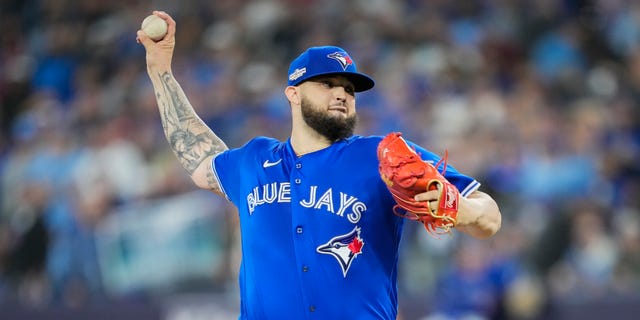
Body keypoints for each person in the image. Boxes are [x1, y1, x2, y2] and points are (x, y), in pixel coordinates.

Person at [137, 11, 502, 320]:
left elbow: (490, 217)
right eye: (327, 83)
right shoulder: (255, 161)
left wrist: (459, 209)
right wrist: (159, 71)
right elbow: (198, 156)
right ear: (292, 94)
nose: (341, 93)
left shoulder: (382, 154)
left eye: (349, 88)